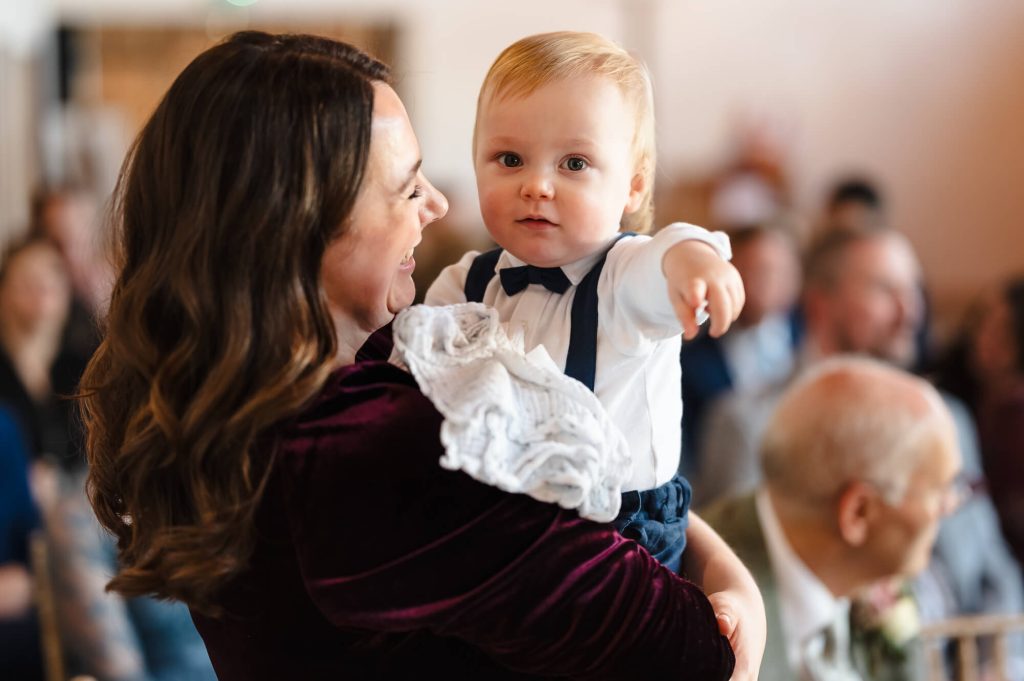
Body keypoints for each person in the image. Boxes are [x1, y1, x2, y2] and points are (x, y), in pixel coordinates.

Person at [78, 31, 764, 680]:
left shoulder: (254, 390)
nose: (436, 205)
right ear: (301, 224)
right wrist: (738, 589)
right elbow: (692, 652)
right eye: (408, 188)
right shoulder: (370, 444)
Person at [424, 31, 746, 576]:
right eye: (509, 158)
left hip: (619, 527)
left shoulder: (624, 277)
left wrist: (697, 259)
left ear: (633, 187)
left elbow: (664, 255)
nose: (537, 186)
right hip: (499, 510)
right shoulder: (467, 282)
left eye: (573, 164)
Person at [696, 226, 1023, 641]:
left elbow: (994, 565)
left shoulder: (950, 417)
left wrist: (1002, 658)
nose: (911, 312)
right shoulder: (747, 423)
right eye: (886, 290)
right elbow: (740, 577)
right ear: (820, 304)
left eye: (914, 290)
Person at [703, 356, 963, 681]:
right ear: (858, 512)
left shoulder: (871, 575)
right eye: (940, 491)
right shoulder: (709, 608)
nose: (950, 506)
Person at [680, 223, 802, 473]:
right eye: (754, 271)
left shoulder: (807, 336)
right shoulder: (694, 362)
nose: (766, 283)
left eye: (777, 271)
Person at [936, 277, 1024, 565]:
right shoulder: (960, 399)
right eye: (982, 324)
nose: (984, 340)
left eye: (1003, 332)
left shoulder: (1015, 418)